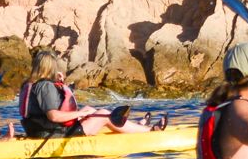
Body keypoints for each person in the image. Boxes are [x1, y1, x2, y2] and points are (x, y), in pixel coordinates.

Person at [17, 50, 152, 137]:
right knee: (104, 114)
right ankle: (149, 131)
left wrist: (59, 85)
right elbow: (54, 116)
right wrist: (80, 114)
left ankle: (135, 127)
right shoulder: (45, 86)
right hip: (53, 134)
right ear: (51, 67)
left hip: (37, 131)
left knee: (90, 109)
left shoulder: (28, 84)